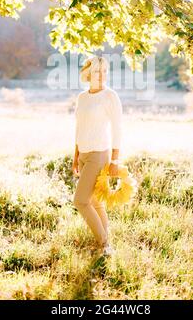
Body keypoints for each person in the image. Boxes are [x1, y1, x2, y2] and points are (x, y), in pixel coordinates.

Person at [72, 55, 123, 256]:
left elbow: (118, 129)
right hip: (83, 154)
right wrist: (75, 157)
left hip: (99, 154)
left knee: (80, 201)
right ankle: (106, 241)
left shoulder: (110, 96)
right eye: (96, 72)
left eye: (103, 71)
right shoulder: (82, 98)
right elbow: (79, 127)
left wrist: (115, 161)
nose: (100, 76)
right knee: (94, 202)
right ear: (87, 74)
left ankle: (103, 245)